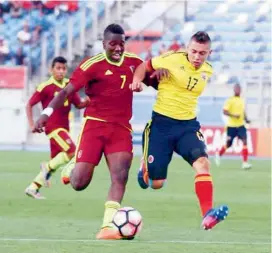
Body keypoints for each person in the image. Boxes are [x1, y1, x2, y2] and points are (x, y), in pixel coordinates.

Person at [33, 24, 156, 240]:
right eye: (113, 44)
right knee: (79, 183)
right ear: (104, 44)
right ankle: (71, 167)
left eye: (121, 44)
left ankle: (107, 226)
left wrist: (159, 76)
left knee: (120, 175)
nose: (118, 48)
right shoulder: (92, 65)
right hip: (95, 126)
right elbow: (66, 92)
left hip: (121, 128)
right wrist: (46, 113)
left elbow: (152, 79)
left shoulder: (134, 63)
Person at [130, 31, 229, 230]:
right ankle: (145, 167)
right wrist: (138, 81)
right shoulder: (171, 59)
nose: (197, 57)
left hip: (187, 126)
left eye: (202, 53)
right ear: (187, 48)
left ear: (210, 53)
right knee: (155, 183)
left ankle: (207, 214)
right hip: (161, 126)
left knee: (202, 163)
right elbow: (143, 66)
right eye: (193, 51)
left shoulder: (207, 70)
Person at [25, 56, 89, 199]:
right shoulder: (45, 87)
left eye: (64, 69)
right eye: (58, 68)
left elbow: (78, 104)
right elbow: (29, 104)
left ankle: (33, 187)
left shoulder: (69, 85)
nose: (61, 71)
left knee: (55, 163)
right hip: (53, 128)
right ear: (51, 70)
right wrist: (31, 124)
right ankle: (46, 167)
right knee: (72, 151)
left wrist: (90, 100)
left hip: (65, 128)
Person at [215, 84, 252, 169]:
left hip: (241, 125)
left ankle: (245, 163)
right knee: (228, 144)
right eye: (236, 89)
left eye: (239, 89)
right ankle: (219, 154)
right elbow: (224, 111)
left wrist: (246, 119)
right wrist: (233, 115)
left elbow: (243, 111)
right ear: (234, 90)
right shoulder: (230, 100)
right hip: (231, 126)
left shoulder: (242, 100)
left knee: (245, 141)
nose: (238, 90)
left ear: (241, 90)